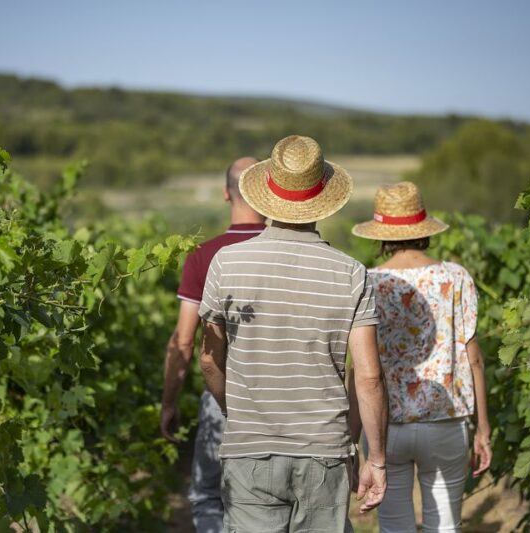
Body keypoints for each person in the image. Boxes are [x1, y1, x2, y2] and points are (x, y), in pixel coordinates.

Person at [198, 135, 388, 532]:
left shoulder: (225, 263)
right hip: (324, 454)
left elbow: (210, 359)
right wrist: (377, 459)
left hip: (248, 452)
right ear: (323, 199)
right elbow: (369, 376)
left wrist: (239, 411)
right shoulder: (352, 273)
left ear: (266, 193)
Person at [350, 181, 492, 533]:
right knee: (444, 526)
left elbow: (360, 369)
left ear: (381, 233)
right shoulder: (455, 278)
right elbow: (474, 359)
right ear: (423, 228)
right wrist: (484, 429)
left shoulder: (368, 283)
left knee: (395, 526)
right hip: (445, 421)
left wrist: (352, 437)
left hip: (386, 427)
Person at [160, 157, 266, 533]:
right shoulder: (289, 253)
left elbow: (184, 340)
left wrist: (170, 401)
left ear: (226, 193)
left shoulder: (204, 255)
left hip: (224, 398)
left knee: (208, 497)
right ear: (267, 192)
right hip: (286, 400)